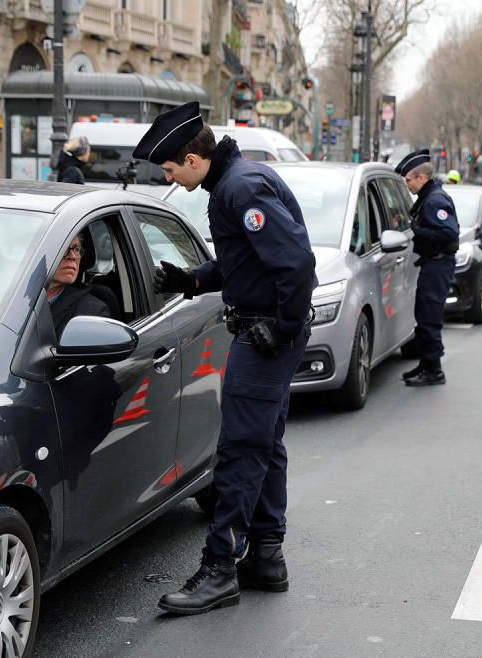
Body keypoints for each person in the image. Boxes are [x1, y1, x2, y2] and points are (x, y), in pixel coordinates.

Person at [137, 102, 317, 615]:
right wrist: (192, 280)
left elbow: (296, 262)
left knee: (239, 449)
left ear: (194, 158)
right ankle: (265, 555)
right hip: (265, 330)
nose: (169, 177)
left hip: (264, 337)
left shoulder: (240, 188)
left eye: (170, 167)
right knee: (265, 442)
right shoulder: (236, 181)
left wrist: (282, 328)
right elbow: (249, 262)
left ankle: (219, 570)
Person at [396, 149, 459, 386]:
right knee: (423, 314)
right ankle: (426, 363)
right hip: (433, 263)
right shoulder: (428, 197)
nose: (408, 185)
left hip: (438, 264)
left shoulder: (435, 200)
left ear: (421, 178)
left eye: (410, 180)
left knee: (429, 316)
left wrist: (417, 231)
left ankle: (434, 370)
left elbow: (449, 233)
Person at [47, 235, 110, 338]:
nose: (72, 256)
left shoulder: (91, 312)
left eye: (76, 249)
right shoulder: (14, 298)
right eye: (63, 248)